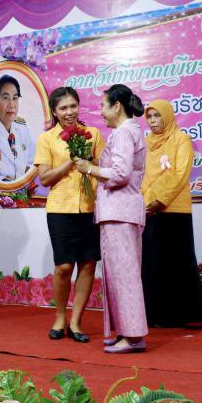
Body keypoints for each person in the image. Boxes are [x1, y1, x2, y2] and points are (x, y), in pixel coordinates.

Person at [74, 85, 148, 353]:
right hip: (119, 211)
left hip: (120, 212)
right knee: (119, 274)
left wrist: (89, 168)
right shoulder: (128, 131)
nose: (101, 112)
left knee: (125, 275)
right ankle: (127, 332)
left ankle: (133, 336)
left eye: (103, 106)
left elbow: (120, 174)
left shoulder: (124, 132)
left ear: (117, 106)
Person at [34, 87, 104, 343]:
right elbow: (44, 178)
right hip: (60, 209)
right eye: (63, 108)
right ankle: (60, 317)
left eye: (73, 106)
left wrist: (90, 167)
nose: (69, 112)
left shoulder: (93, 134)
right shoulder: (47, 139)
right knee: (64, 266)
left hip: (89, 207)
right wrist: (71, 162)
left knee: (88, 264)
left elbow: (103, 170)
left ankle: (76, 322)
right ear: (54, 111)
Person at [141, 99, 202, 327]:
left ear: (168, 116)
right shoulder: (145, 143)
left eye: (157, 116)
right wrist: (147, 201)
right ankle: (156, 315)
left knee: (178, 261)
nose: (153, 121)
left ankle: (185, 315)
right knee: (153, 263)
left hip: (175, 210)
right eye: (149, 117)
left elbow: (181, 173)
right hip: (149, 210)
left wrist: (160, 200)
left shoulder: (181, 139)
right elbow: (142, 175)